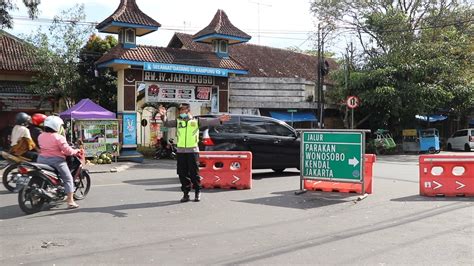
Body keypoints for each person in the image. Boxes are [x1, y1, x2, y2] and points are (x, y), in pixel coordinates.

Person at [159, 103, 230, 202]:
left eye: (183, 110)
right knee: (182, 174)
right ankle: (186, 194)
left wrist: (219, 120)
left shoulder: (196, 121)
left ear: (188, 111)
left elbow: (209, 122)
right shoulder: (178, 122)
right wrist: (163, 115)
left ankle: (197, 192)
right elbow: (166, 123)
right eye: (180, 111)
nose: (181, 112)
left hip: (192, 151)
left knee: (194, 173)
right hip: (181, 152)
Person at [37, 115, 82, 209]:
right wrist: (76, 151)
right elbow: (68, 151)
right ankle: (70, 201)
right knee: (68, 178)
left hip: (41, 160)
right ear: (57, 126)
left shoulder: (40, 136)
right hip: (56, 161)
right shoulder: (58, 137)